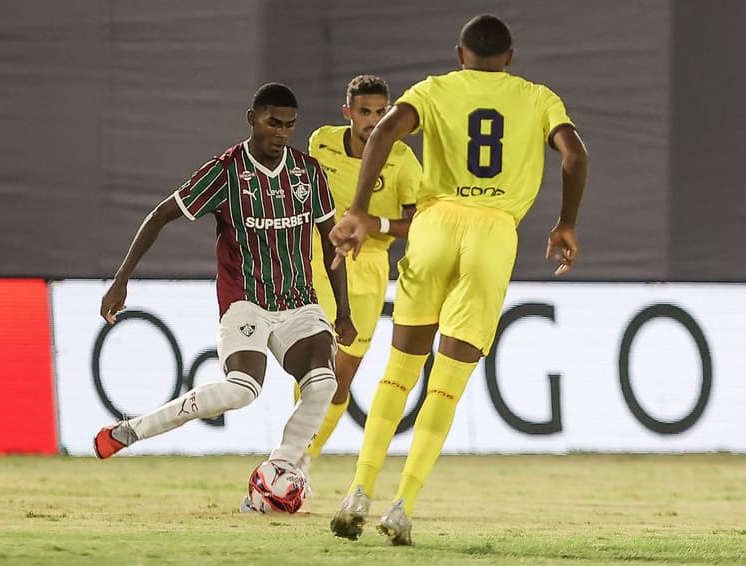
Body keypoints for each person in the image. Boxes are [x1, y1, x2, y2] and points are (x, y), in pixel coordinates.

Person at [328, 15, 589, 545]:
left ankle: (358, 490)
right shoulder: (538, 98)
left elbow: (385, 130)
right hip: (494, 233)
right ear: (509, 58)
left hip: (434, 224)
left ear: (459, 54)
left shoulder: (434, 89)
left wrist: (357, 208)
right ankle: (402, 507)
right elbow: (575, 155)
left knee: (399, 372)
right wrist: (566, 222)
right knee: (446, 385)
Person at [93, 83, 358, 508]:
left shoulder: (308, 172)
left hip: (299, 302)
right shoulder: (225, 172)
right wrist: (121, 279)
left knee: (325, 382)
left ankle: (277, 470)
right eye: (273, 122)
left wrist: (343, 311)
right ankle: (131, 430)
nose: (282, 133)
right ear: (252, 118)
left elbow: (331, 244)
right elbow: (161, 215)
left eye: (290, 125)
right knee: (242, 390)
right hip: (245, 301)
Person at [297, 75, 422, 479]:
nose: (373, 120)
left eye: (381, 112)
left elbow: (420, 224)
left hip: (369, 266)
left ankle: (304, 456)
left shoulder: (402, 159)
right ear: (348, 112)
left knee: (341, 374)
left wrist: (374, 223)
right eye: (365, 112)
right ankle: (292, 459)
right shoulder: (322, 142)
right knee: (313, 359)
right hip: (319, 257)